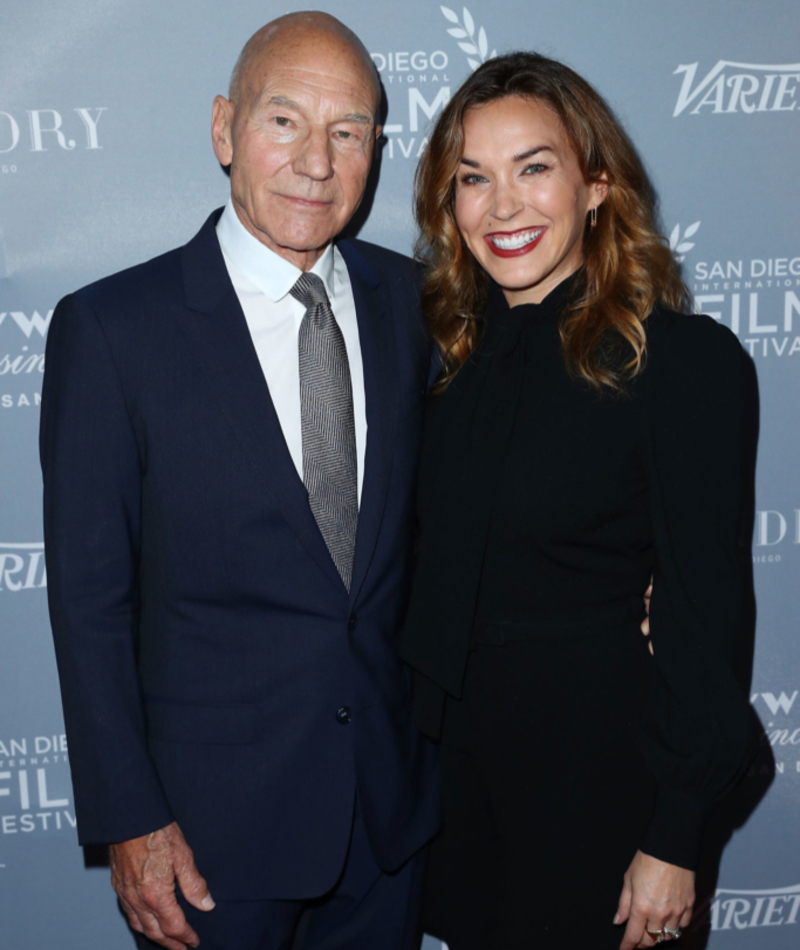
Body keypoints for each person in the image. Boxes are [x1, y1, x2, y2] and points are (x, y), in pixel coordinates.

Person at [39, 12, 441, 950]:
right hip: (206, 842)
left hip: (390, 822)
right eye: (285, 121)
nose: (316, 161)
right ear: (225, 129)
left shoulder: (418, 306)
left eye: (348, 133)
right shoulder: (112, 331)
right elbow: (90, 602)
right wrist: (130, 820)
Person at [400, 52, 757, 950]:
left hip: (602, 794)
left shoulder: (682, 366)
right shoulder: (441, 359)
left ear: (597, 182)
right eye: (472, 178)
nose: (503, 205)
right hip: (459, 796)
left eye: (534, 167)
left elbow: (708, 622)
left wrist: (675, 836)